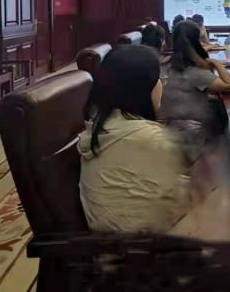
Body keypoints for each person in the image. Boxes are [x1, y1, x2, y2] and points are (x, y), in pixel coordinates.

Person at [77, 45, 190, 233]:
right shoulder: (147, 138)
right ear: (142, 88)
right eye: (158, 79)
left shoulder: (106, 124)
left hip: (119, 238)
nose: (162, 85)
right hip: (143, 246)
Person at [160, 20, 230, 132]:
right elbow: (229, 86)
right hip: (191, 131)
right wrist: (217, 64)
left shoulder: (166, 62)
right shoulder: (195, 71)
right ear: (196, 41)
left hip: (167, 125)